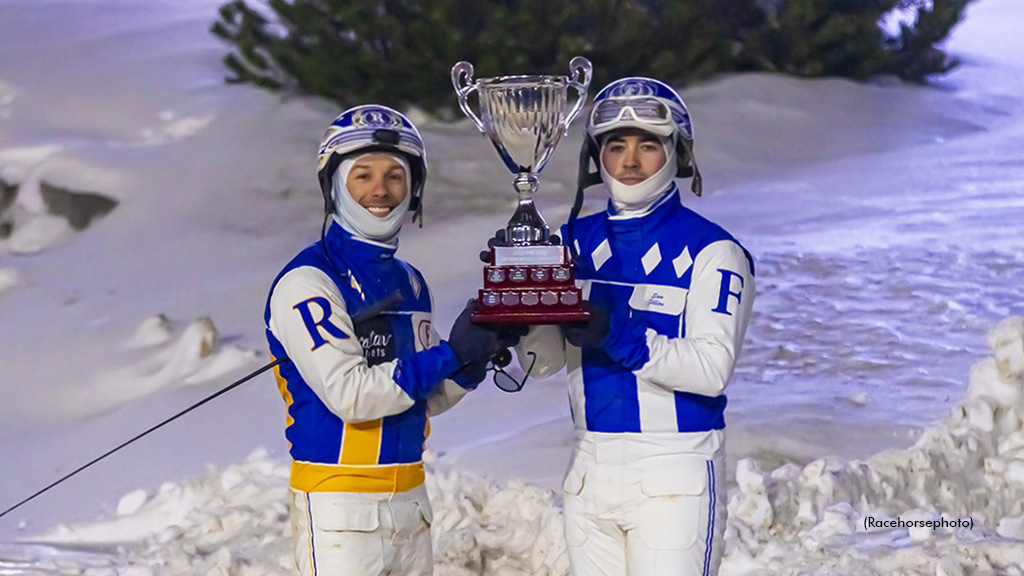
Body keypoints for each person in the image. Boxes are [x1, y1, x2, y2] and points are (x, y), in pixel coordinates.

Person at [515, 77, 756, 576]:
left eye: (648, 145)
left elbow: (712, 370)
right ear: (595, 157)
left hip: (676, 466)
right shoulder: (568, 241)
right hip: (588, 463)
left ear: (678, 155)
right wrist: (519, 315)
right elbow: (544, 366)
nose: (629, 161)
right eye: (615, 146)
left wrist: (615, 332)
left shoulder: (716, 251)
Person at [265, 105, 516, 576]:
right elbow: (352, 395)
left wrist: (478, 355)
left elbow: (426, 397)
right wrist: (452, 352)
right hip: (340, 507)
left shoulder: (412, 282)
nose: (379, 191)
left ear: (413, 189)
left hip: (410, 501)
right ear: (334, 186)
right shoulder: (309, 281)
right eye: (362, 176)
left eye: (395, 176)